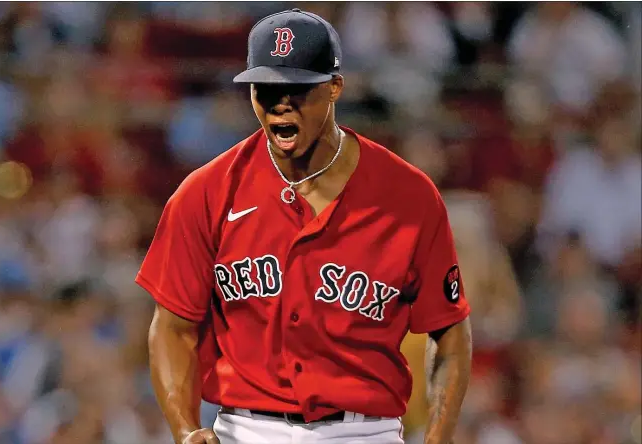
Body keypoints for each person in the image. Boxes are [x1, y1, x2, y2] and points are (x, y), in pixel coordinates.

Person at [137, 8, 472, 444]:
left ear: (335, 87)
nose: (281, 103)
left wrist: (438, 437)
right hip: (245, 430)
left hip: (364, 432)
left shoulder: (408, 196)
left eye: (298, 88)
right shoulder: (205, 192)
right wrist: (184, 429)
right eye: (267, 89)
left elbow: (449, 331)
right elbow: (172, 326)